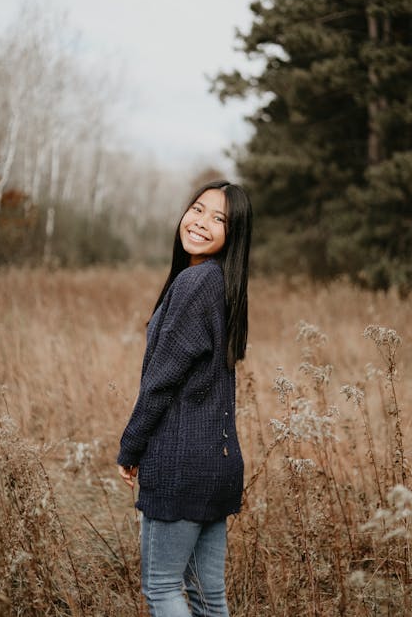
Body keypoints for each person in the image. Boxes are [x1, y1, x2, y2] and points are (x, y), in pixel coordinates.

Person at [117, 179, 252, 617]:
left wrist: (131, 446)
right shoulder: (221, 284)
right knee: (207, 595)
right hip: (217, 462)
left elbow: (161, 381)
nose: (201, 222)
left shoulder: (197, 283)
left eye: (219, 219)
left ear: (234, 234)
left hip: (181, 463)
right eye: (197, 209)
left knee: (161, 588)